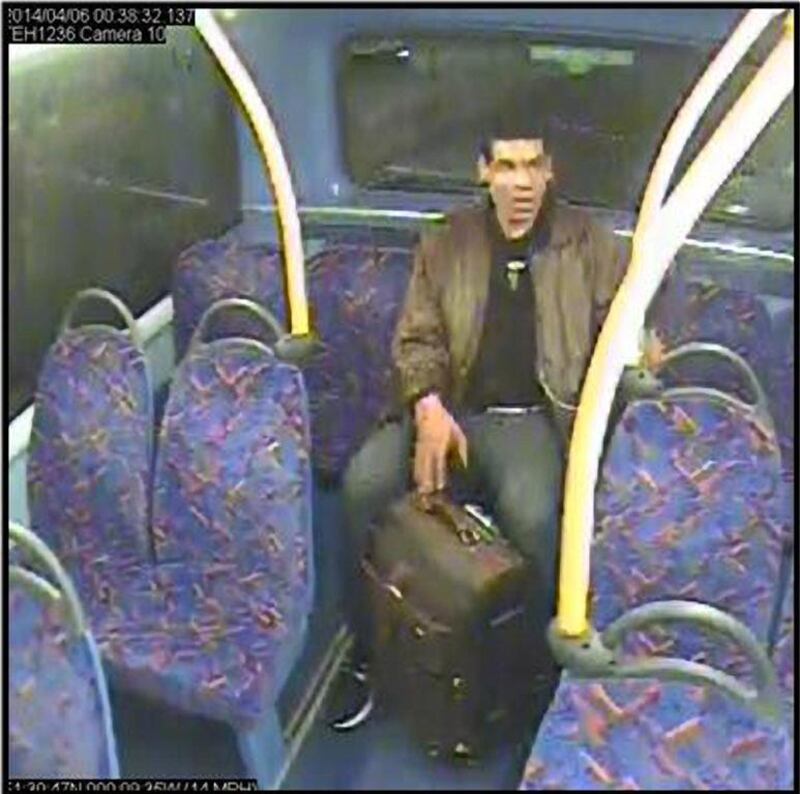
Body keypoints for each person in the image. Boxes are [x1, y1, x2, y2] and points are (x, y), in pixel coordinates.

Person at [330, 123, 640, 729]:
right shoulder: (447, 244)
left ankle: (534, 674)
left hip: (530, 417)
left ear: (551, 172)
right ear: (483, 173)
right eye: (506, 167)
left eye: (533, 166)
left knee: (533, 515)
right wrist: (428, 406)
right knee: (362, 484)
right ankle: (368, 651)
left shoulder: (592, 246)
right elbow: (417, 338)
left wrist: (640, 356)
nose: (521, 182)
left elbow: (624, 339)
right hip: (451, 402)